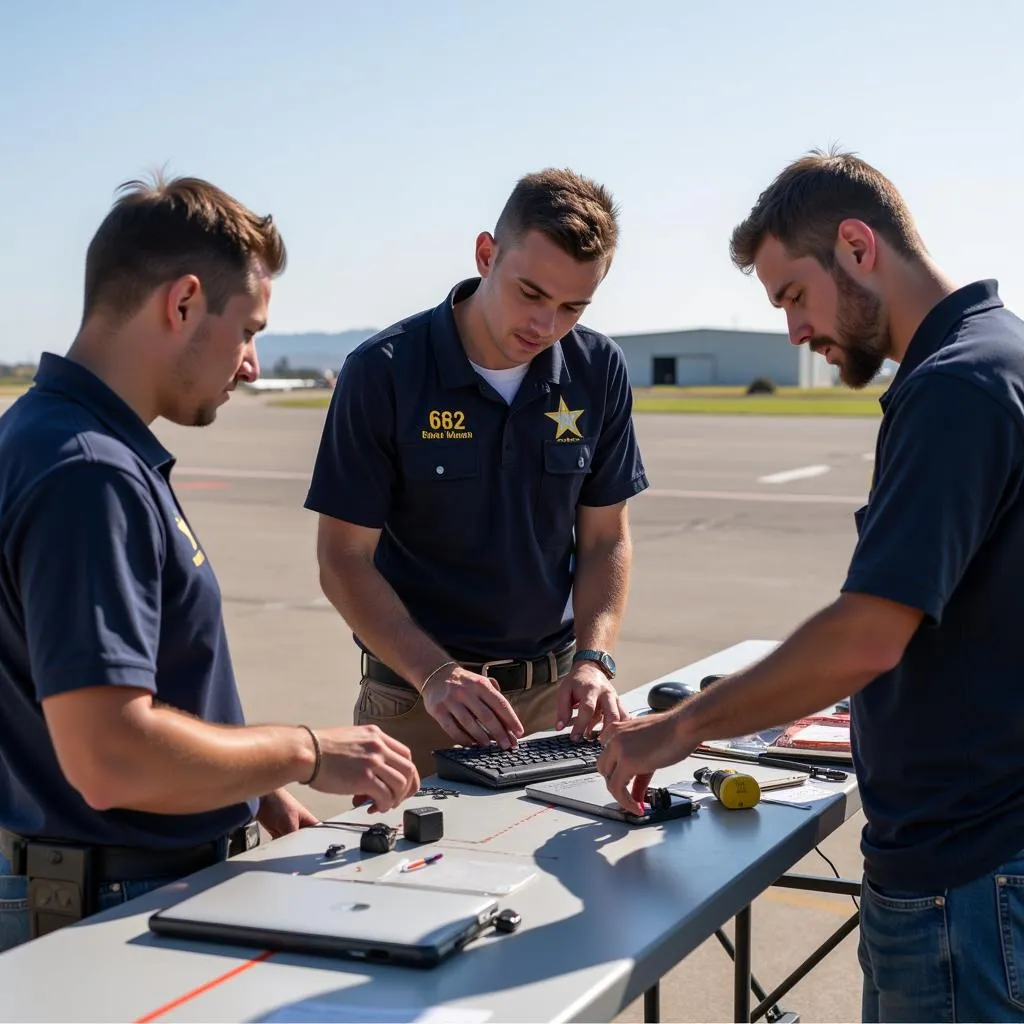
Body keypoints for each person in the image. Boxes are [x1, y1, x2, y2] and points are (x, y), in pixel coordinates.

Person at [597, 148, 1024, 1022]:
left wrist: (677, 729)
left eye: (794, 294)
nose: (793, 330)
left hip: (964, 883)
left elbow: (869, 633)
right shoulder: (997, 355)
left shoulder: (959, 388)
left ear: (858, 248)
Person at [0, 173, 420, 953]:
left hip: (106, 882)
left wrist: (248, 790)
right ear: (183, 302)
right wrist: (307, 752)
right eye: (248, 331)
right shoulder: (87, 472)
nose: (252, 364)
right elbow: (110, 757)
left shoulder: (56, 437)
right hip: (107, 910)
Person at [305, 168, 649, 776]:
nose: (546, 326)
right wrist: (436, 675)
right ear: (486, 255)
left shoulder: (599, 370)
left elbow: (605, 538)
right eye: (531, 294)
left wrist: (596, 660)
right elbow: (342, 559)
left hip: (553, 706)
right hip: (415, 704)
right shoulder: (384, 372)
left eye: (573, 306)